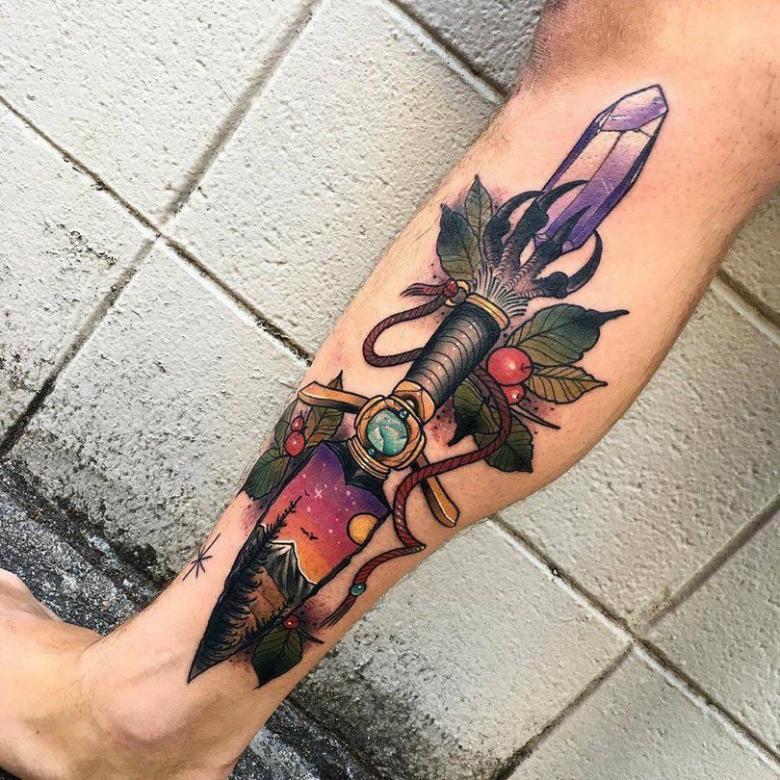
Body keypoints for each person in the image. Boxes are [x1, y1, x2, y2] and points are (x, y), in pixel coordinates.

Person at [1, 0, 778, 777]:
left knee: (686, 49)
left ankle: (142, 722)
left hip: (408, 418)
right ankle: (156, 712)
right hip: (387, 438)